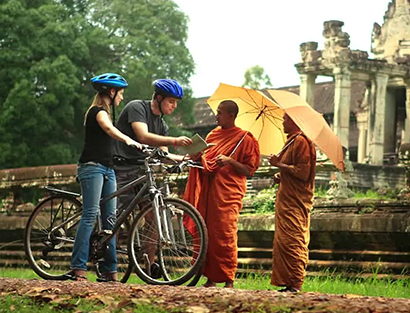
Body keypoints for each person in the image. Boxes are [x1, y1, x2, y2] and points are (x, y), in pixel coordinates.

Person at [113, 78, 192, 277]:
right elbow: (143, 136)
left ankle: (148, 264)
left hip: (141, 170)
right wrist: (175, 140)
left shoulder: (162, 125)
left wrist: (183, 159)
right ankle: (107, 264)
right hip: (119, 167)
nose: (174, 106)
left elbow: (162, 154)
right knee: (112, 216)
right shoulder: (137, 107)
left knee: (154, 215)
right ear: (158, 98)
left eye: (176, 103)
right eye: (171, 101)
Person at [69, 73, 143, 282]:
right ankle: (78, 267)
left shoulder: (106, 113)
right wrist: (129, 140)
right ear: (111, 92)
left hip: (108, 169)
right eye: (120, 94)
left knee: (111, 220)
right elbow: (109, 130)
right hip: (92, 168)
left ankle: (110, 271)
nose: (122, 98)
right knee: (90, 214)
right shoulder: (98, 112)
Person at [183, 100, 260, 288]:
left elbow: (249, 170)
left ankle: (228, 278)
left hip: (229, 194)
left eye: (220, 112)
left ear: (231, 115)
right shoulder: (213, 135)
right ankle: (210, 278)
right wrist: (197, 156)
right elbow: (207, 164)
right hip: (210, 193)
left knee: (225, 234)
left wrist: (230, 161)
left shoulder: (245, 139)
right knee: (208, 233)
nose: (216, 116)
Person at [268, 113, 317, 293]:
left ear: (296, 121)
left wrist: (279, 165)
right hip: (287, 199)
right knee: (284, 241)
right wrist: (281, 175)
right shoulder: (291, 141)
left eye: (286, 119)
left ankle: (295, 283)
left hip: (296, 202)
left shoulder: (302, 142)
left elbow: (303, 173)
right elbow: (293, 171)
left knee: (293, 240)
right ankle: (288, 283)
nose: (283, 122)